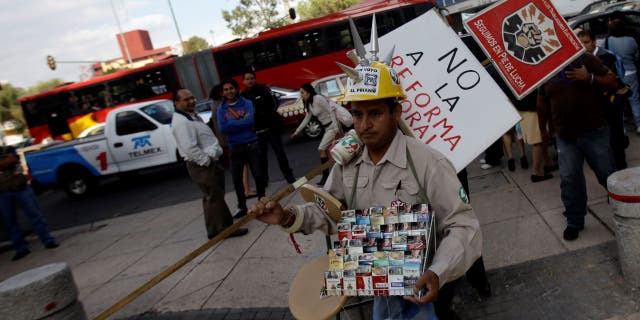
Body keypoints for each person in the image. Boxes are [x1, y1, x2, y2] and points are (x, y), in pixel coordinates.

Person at [250, 54, 481, 319]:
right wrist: (287, 216)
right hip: (380, 287)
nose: (364, 125)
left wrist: (437, 271)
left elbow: (463, 226)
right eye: (357, 114)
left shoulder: (427, 162)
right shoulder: (347, 163)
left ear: (396, 112)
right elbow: (331, 211)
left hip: (425, 291)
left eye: (375, 114)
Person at [537, 53, 617, 240]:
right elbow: (541, 102)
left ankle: (626, 208)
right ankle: (574, 220)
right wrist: (543, 130)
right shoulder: (544, 67)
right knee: (569, 178)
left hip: (594, 131)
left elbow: (613, 82)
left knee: (608, 174)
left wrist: (588, 77)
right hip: (565, 136)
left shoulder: (585, 59)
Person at [171, 88, 248, 239]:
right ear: (176, 103)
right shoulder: (181, 122)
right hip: (202, 165)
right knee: (215, 196)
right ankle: (226, 229)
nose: (191, 101)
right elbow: (189, 147)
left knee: (211, 197)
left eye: (192, 98)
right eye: (186, 100)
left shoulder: (190, 116)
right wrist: (206, 161)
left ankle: (213, 230)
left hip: (207, 161)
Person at [579, 29, 629, 170]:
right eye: (580, 43)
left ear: (595, 42)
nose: (583, 46)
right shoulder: (582, 59)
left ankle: (620, 170)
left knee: (615, 139)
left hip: (612, 104)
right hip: (597, 108)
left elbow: (612, 81)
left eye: (586, 42)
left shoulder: (606, 57)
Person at [217, 79, 267, 218]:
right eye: (226, 89)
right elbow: (223, 128)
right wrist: (241, 121)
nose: (229, 91)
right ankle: (242, 206)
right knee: (236, 179)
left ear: (237, 89)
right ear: (223, 92)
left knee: (258, 175)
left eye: (231, 88)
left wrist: (233, 123)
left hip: (252, 145)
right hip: (235, 148)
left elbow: (250, 121)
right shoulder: (221, 109)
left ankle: (262, 201)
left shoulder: (247, 103)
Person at [0, 146, 58, 261]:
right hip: (3, 192)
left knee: (35, 215)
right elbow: (8, 162)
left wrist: (5, 162)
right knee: (10, 222)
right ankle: (21, 248)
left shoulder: (7, 150)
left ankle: (48, 240)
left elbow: (13, 160)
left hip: (20, 188)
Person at [242, 71, 296, 184]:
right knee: (261, 157)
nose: (250, 81)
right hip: (258, 131)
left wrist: (268, 116)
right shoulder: (244, 95)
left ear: (255, 79)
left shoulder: (263, 89)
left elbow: (274, 103)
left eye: (252, 78)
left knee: (280, 153)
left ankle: (289, 177)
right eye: (247, 79)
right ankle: (264, 180)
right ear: (243, 81)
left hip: (271, 128)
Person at [291, 83, 339, 186]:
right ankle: (330, 176)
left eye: (302, 93)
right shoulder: (309, 102)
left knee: (322, 149)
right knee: (335, 151)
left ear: (308, 92)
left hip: (332, 127)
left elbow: (331, 111)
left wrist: (336, 128)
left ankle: (326, 177)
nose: (301, 95)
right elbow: (307, 118)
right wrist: (296, 132)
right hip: (327, 128)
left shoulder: (318, 99)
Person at [605, 11, 640, 135]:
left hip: (617, 75)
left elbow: (607, 58)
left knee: (619, 102)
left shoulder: (608, 42)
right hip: (631, 73)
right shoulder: (632, 40)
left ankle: (622, 129)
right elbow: (636, 56)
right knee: (634, 99)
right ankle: (639, 125)